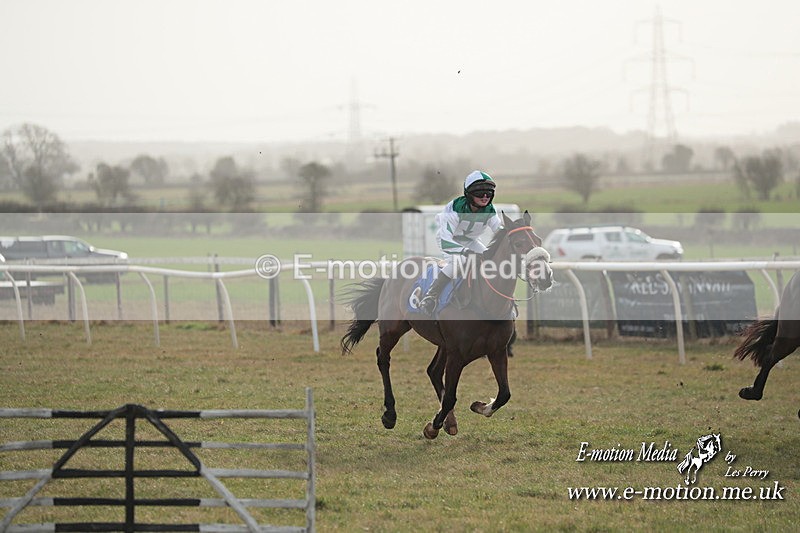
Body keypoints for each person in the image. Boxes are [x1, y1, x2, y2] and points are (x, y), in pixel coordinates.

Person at [418, 170, 502, 315]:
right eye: (480, 192)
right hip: (449, 240)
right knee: (459, 262)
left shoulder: (490, 210)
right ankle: (431, 296)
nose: (485, 196)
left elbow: (500, 232)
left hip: (471, 241)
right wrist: (464, 252)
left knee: (489, 261)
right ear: (469, 194)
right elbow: (446, 239)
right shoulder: (455, 208)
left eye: (488, 193)